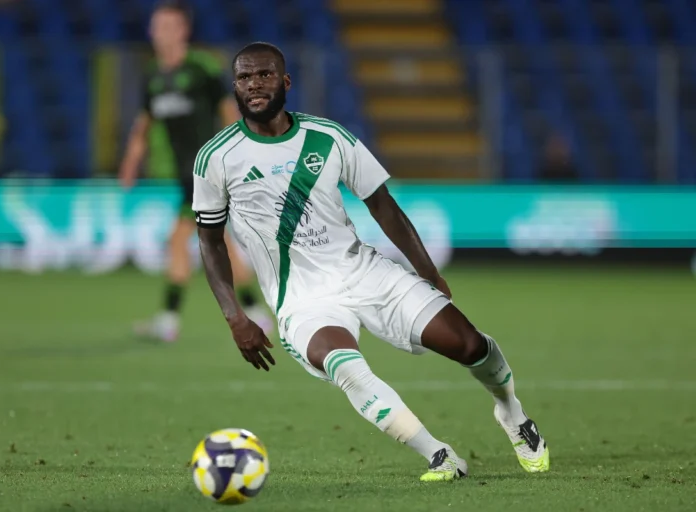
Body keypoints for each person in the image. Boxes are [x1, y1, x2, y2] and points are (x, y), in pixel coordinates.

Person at [193, 42, 550, 481]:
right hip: (302, 299)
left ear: (285, 82)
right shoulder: (216, 158)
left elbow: (383, 206)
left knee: (469, 345)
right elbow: (210, 243)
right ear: (235, 86)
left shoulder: (328, 138)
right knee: (345, 366)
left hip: (365, 273)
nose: (254, 85)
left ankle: (512, 414)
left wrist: (428, 272)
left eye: (264, 75)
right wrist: (235, 317)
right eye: (245, 78)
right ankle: (439, 455)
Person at [119, 1, 272, 342]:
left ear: (183, 30)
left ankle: (169, 320)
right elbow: (143, 125)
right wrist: (130, 163)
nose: (160, 33)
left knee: (179, 241)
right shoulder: (154, 78)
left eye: (167, 26)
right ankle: (257, 313)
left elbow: (229, 112)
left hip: (208, 172)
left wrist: (239, 155)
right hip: (184, 175)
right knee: (221, 245)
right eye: (156, 26)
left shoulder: (201, 69)